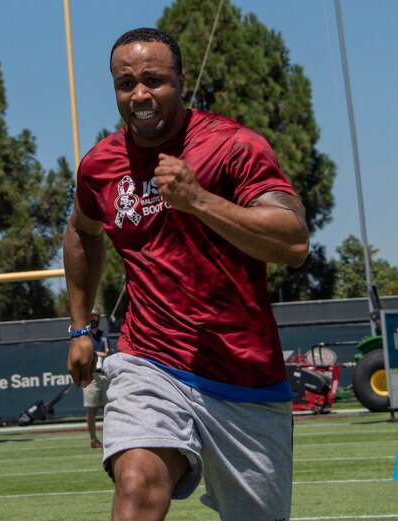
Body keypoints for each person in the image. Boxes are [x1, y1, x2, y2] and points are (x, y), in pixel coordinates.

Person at [63, 27, 309, 521]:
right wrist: (79, 326)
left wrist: (199, 201)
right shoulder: (100, 165)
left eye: (154, 80)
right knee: (137, 482)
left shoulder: (234, 146)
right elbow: (82, 230)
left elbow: (294, 241)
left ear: (180, 80)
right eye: (125, 83)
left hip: (244, 376)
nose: (140, 95)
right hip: (150, 360)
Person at [82, 309, 116, 449]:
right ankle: (93, 439)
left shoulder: (104, 336)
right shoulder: (85, 336)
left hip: (103, 375)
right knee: (92, 409)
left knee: (109, 408)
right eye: (90, 317)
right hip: (91, 376)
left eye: (95, 317)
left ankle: (110, 437)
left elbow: (108, 353)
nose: (93, 319)